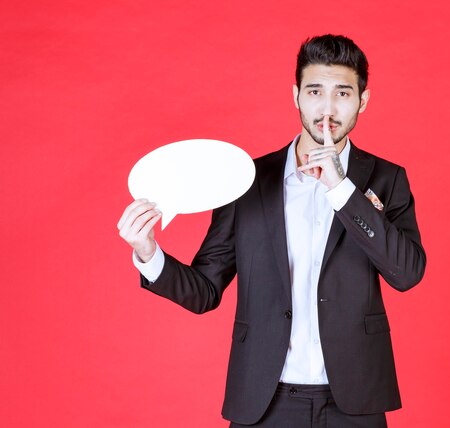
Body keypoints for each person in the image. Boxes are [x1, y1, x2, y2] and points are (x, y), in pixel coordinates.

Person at [118, 34, 426, 428]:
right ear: (296, 95)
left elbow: (407, 273)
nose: (327, 108)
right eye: (315, 91)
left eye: (343, 93)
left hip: (356, 400)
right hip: (265, 401)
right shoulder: (246, 182)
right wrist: (148, 253)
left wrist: (341, 189)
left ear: (362, 101)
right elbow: (204, 292)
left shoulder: (386, 179)